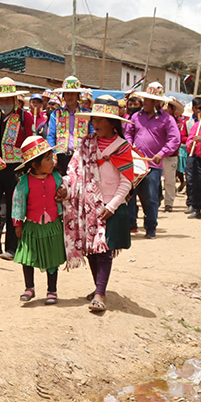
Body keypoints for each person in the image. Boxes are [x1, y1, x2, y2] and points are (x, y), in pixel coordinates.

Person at [63, 97, 137, 314]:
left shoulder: (122, 147)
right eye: (94, 118)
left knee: (103, 249)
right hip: (87, 205)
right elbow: (73, 172)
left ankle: (100, 293)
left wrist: (112, 205)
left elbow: (126, 181)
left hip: (108, 204)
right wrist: (65, 188)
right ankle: (98, 287)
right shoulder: (85, 143)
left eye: (101, 119)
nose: (96, 123)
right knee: (91, 250)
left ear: (113, 123)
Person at [11, 136, 67, 305]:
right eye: (48, 159)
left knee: (52, 259)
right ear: (34, 164)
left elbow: (64, 196)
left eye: (52, 158)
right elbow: (18, 203)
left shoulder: (57, 178)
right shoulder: (23, 183)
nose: (53, 162)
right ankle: (29, 288)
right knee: (27, 258)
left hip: (53, 226)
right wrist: (18, 224)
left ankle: (52, 290)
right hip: (32, 226)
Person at [0, 78, 33, 259]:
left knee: (14, 208)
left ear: (15, 100)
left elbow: (29, 141)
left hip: (16, 168)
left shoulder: (24, 117)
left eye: (8, 99)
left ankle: (12, 248)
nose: (4, 103)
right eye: (1, 100)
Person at [123, 87, 178, 239]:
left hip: (153, 165)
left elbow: (174, 139)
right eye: (144, 99)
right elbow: (128, 132)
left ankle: (151, 227)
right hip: (135, 163)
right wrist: (129, 145)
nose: (144, 102)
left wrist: (162, 153)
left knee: (151, 197)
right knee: (130, 195)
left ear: (156, 103)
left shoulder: (167, 119)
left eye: (147, 100)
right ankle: (131, 224)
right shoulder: (136, 117)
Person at [46, 76, 87, 177]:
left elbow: (92, 135)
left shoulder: (87, 114)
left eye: (72, 93)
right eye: (67, 93)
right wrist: (53, 155)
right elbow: (51, 136)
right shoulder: (56, 114)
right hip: (60, 157)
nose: (70, 96)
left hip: (81, 157)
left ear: (78, 95)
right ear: (63, 96)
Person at [162, 97, 188, 212]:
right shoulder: (157, 119)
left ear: (173, 109)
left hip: (171, 155)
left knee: (170, 180)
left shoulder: (177, 123)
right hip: (155, 154)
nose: (165, 108)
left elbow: (175, 139)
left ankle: (169, 202)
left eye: (167, 106)